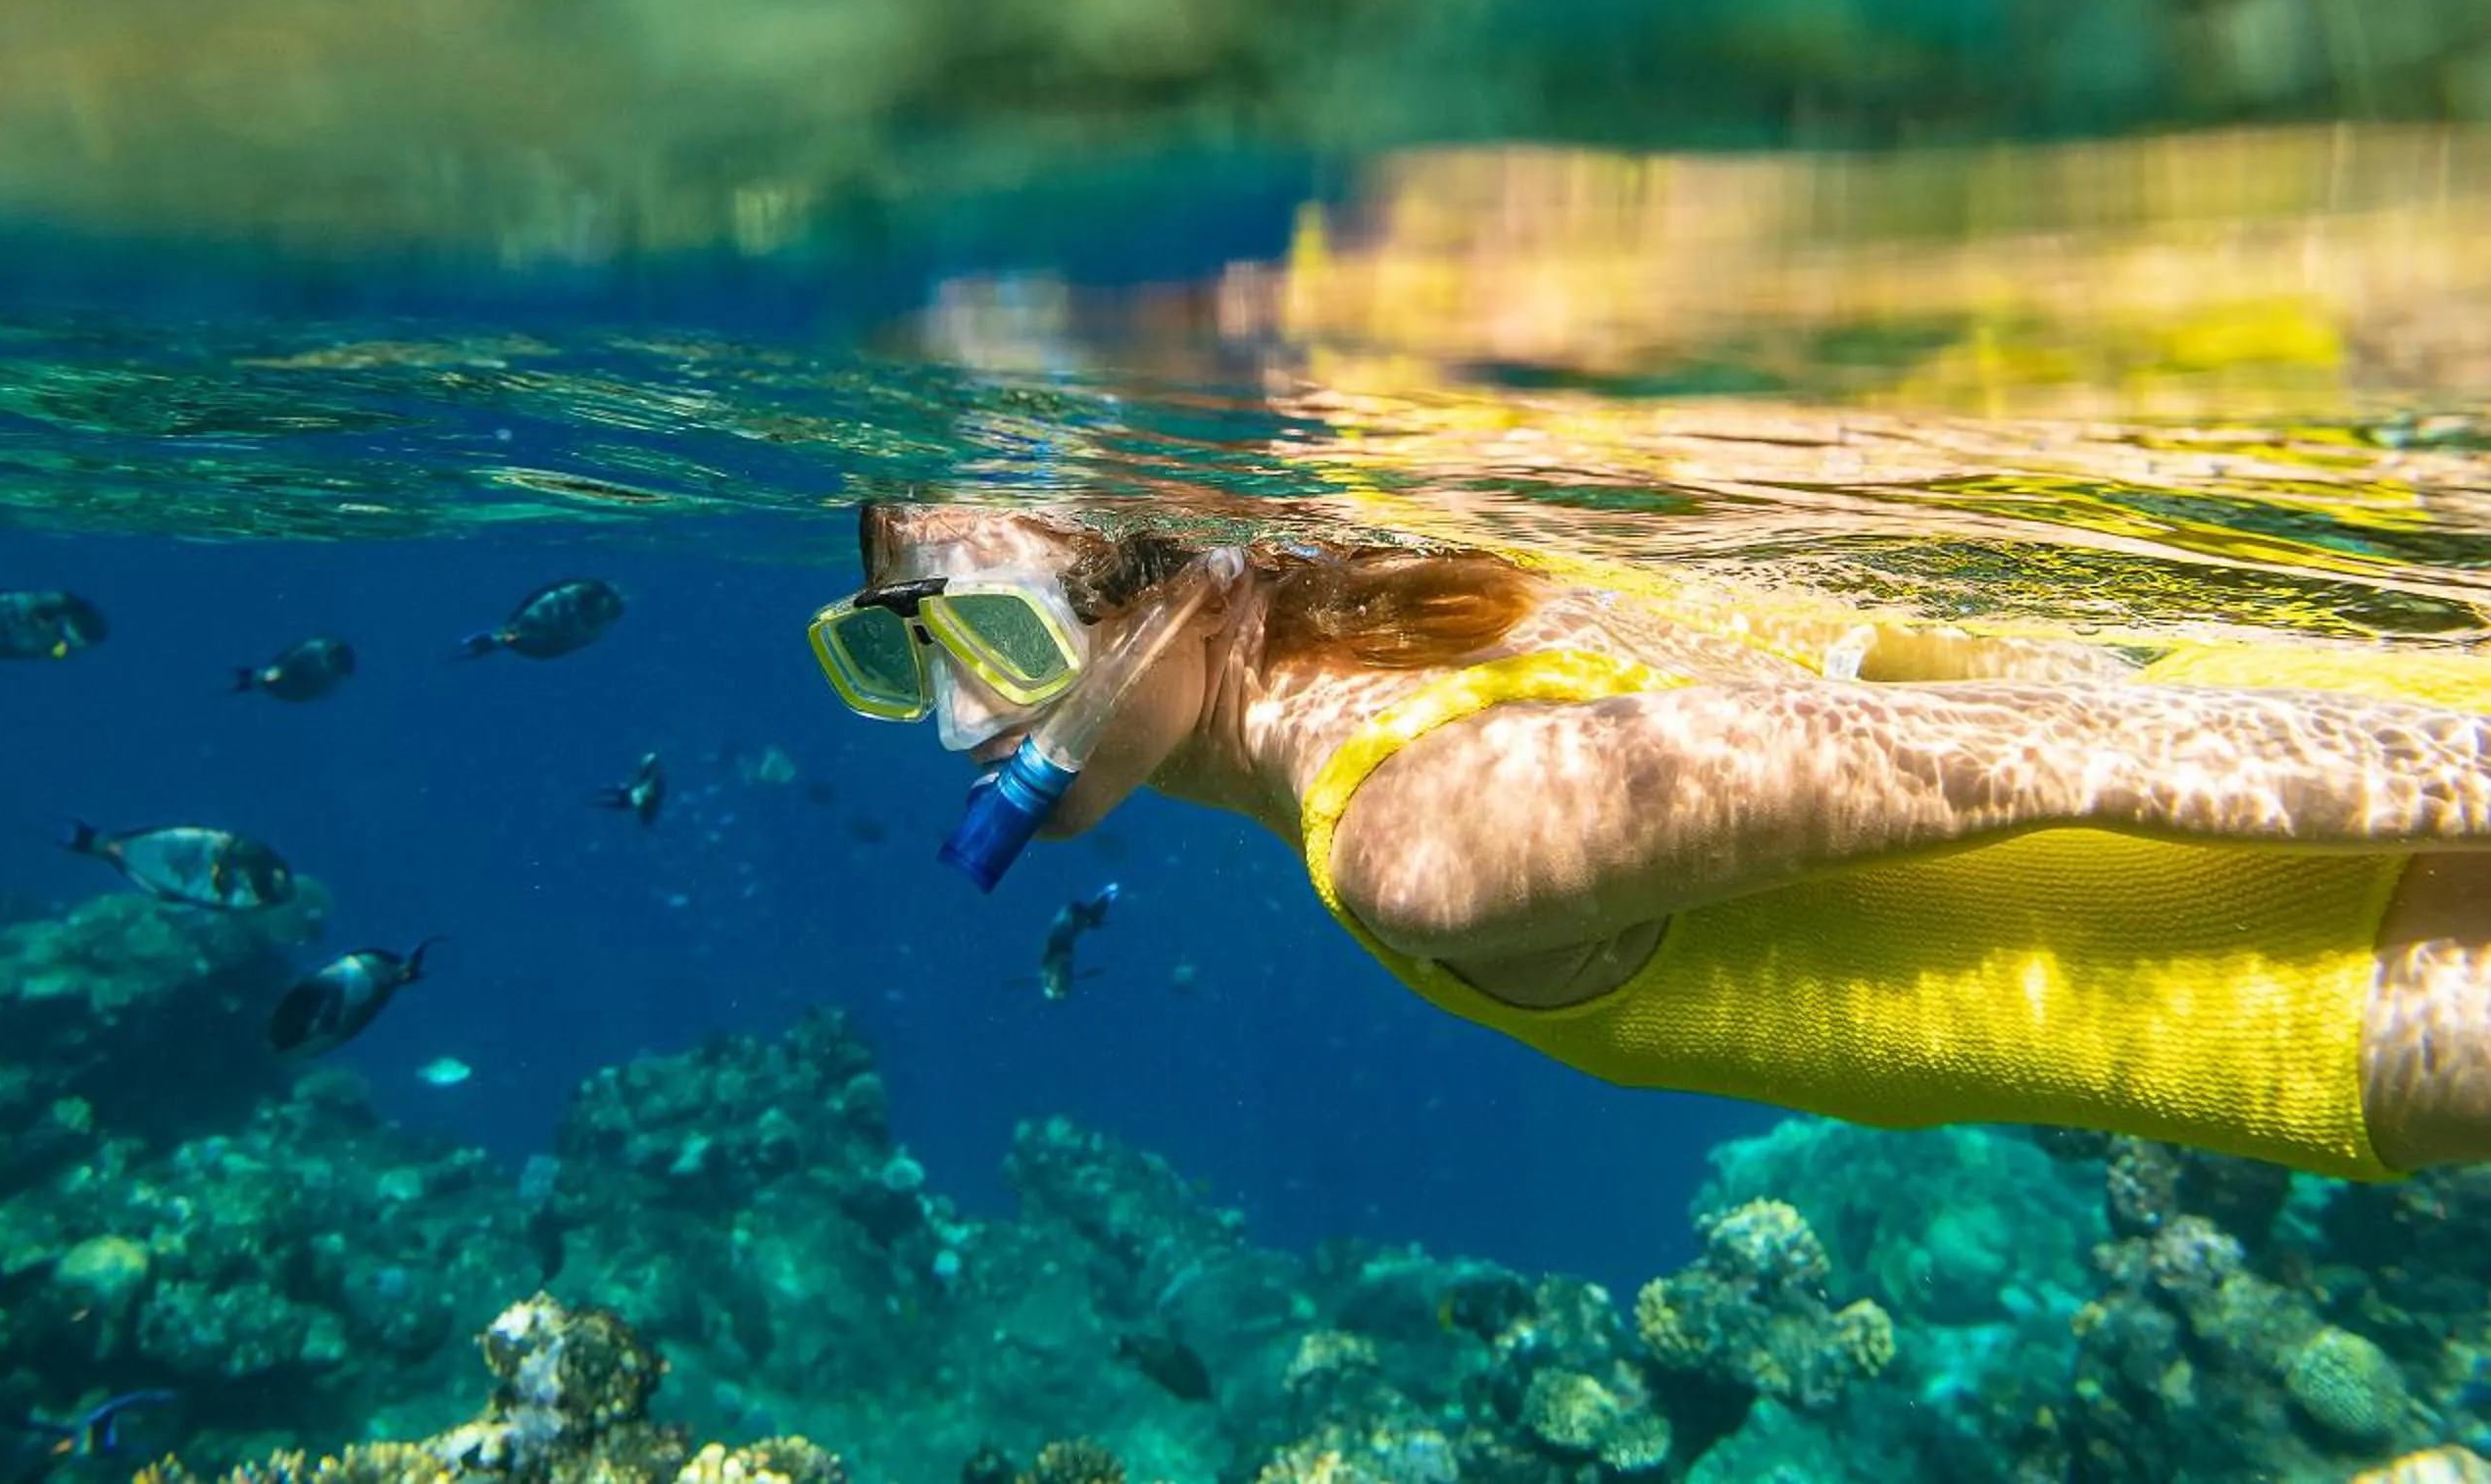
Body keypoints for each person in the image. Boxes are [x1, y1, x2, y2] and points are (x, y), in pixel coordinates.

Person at [808, 502, 2491, 1178]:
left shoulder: (1415, 837)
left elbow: (2058, 749)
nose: (970, 727)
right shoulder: (1451, 601)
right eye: (901, 653)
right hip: (2347, 757)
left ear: (1173, 594)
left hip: (2340, 973)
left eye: (1003, 641)